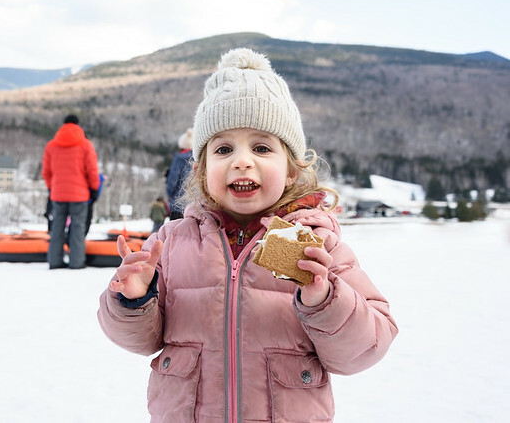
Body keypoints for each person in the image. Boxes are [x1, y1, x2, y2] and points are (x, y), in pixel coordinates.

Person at [98, 48, 398, 422]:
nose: (242, 160)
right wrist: (133, 300)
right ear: (202, 169)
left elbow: (366, 349)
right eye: (224, 148)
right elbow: (141, 341)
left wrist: (323, 298)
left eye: (261, 147)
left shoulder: (317, 243)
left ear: (291, 170)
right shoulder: (174, 242)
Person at [42, 114, 101, 269]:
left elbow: (46, 172)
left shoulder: (51, 146)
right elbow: (92, 171)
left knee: (57, 228)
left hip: (58, 194)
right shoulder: (85, 145)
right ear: (78, 124)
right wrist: (94, 188)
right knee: (77, 228)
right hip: (79, 195)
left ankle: (54, 261)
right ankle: (76, 262)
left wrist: (51, 187)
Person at [165, 128, 193, 220]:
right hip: (197, 207)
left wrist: (169, 193)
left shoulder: (179, 159)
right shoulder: (201, 159)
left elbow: (172, 183)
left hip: (178, 206)